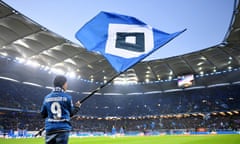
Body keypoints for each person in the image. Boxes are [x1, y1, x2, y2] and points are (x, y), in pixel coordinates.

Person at [40, 75, 81, 144]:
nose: (67, 85)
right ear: (63, 84)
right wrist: (77, 107)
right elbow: (71, 113)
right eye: (66, 83)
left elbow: (43, 114)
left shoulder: (47, 97)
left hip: (50, 128)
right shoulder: (67, 97)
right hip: (62, 129)